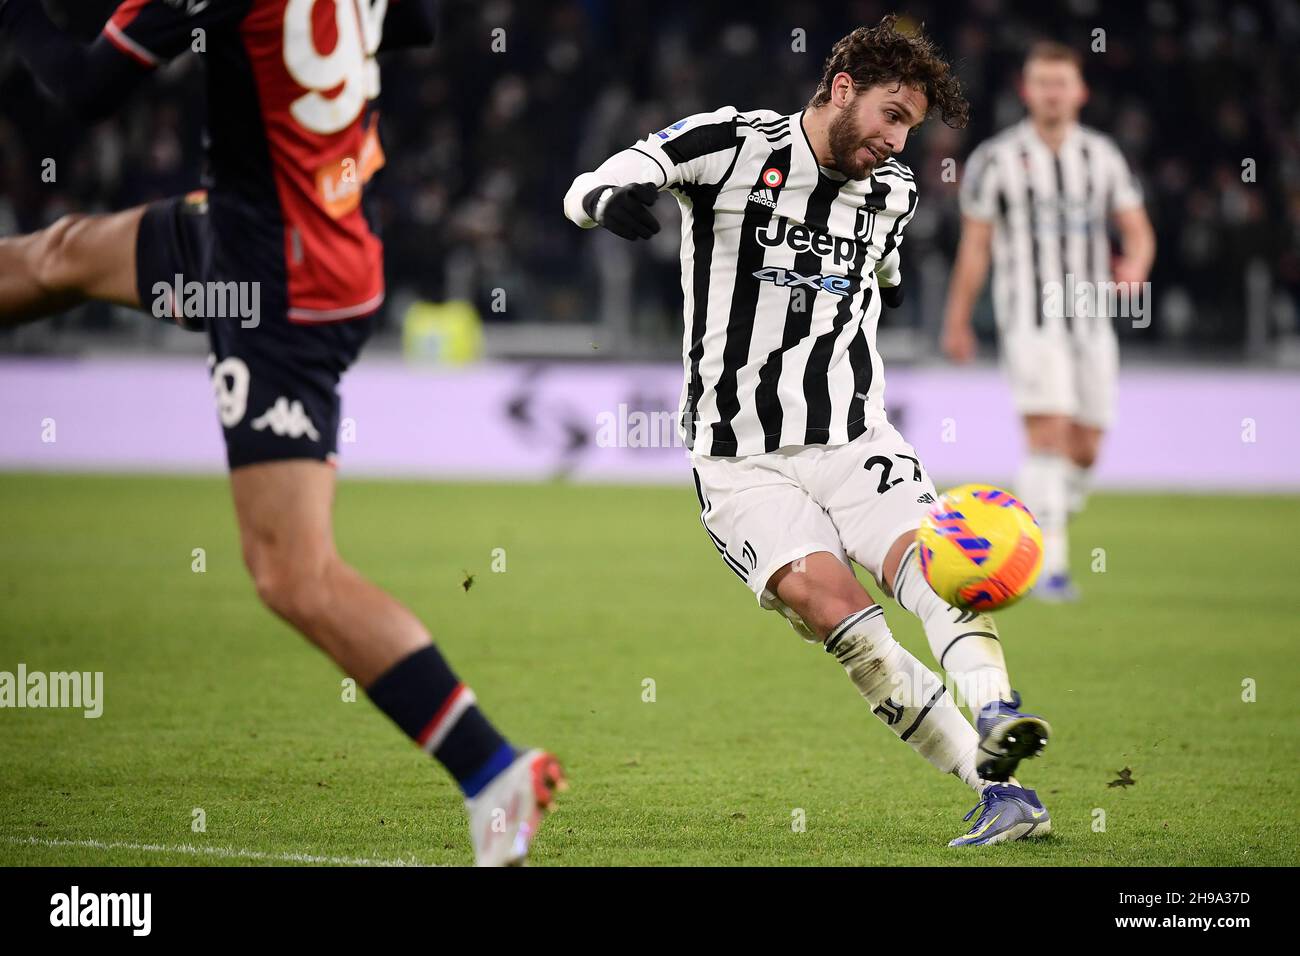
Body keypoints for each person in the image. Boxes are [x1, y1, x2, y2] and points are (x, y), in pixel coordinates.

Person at [0, 0, 562, 866]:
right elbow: (420, 21)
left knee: (292, 573)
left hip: (279, 290)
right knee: (56, 259)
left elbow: (80, 88)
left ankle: (492, 769)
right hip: (267, 235)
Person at [565, 15, 1051, 847]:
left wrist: (885, 284)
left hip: (854, 439)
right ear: (841, 90)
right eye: (892, 116)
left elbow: (886, 263)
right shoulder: (731, 144)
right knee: (843, 620)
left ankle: (999, 709)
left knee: (940, 568)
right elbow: (601, 178)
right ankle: (995, 790)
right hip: (739, 461)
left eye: (913, 127)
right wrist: (609, 199)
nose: (900, 142)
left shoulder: (891, 192)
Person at [941, 41, 1156, 601]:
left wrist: (1135, 265)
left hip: (1090, 318)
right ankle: (1048, 568)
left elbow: (1137, 229)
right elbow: (975, 249)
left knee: (1085, 448)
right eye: (1042, 82)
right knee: (1048, 434)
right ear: (1026, 90)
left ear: (1080, 91)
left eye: (1062, 82)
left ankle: (1044, 516)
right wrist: (958, 319)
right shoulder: (996, 159)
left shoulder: (1101, 157)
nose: (1052, 92)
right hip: (1029, 318)